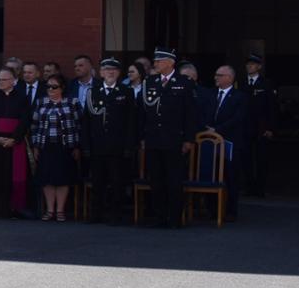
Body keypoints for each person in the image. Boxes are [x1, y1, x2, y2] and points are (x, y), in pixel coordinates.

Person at [141, 48, 200, 229]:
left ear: (170, 62)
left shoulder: (184, 83)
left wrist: (188, 139)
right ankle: (159, 218)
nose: (155, 64)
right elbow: (142, 113)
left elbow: (190, 114)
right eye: (155, 61)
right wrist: (143, 137)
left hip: (174, 140)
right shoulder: (149, 82)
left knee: (174, 182)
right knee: (156, 181)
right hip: (154, 139)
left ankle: (174, 218)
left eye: (159, 61)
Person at [84, 59, 139, 225]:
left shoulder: (126, 91)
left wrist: (129, 146)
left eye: (114, 70)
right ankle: (96, 215)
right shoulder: (93, 92)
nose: (110, 72)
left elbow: (131, 122)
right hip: (98, 145)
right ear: (101, 73)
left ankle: (116, 215)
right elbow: (86, 121)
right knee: (97, 182)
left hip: (117, 146)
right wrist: (86, 145)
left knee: (117, 183)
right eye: (107, 69)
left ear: (119, 73)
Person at [30, 76, 82, 222]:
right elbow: (34, 125)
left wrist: (77, 146)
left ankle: (60, 210)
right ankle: (49, 210)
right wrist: (35, 146)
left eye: (54, 87)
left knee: (62, 178)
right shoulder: (41, 102)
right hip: (45, 145)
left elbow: (79, 125)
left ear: (62, 88)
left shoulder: (72, 102)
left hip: (65, 146)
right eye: (48, 87)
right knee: (47, 179)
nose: (50, 90)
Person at [199, 65, 248, 220]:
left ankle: (230, 211)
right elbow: (203, 113)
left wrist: (218, 129)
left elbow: (238, 118)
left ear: (229, 78)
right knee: (210, 174)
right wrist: (206, 128)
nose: (215, 78)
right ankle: (212, 209)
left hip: (230, 142)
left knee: (231, 177)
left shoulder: (239, 97)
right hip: (210, 143)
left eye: (219, 75)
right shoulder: (210, 94)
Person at [0, 69, 31, 219]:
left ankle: (13, 209)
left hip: (14, 143)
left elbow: (25, 121)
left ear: (12, 81)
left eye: (3, 80)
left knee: (12, 176)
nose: (0, 83)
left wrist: (14, 138)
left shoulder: (22, 98)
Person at [240, 54, 276, 200]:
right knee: (246, 158)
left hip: (261, 128)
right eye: (248, 64)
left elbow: (272, 108)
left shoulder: (266, 84)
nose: (249, 66)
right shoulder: (241, 83)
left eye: (253, 64)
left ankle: (260, 188)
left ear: (259, 67)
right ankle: (249, 187)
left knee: (262, 159)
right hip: (245, 128)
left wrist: (270, 128)